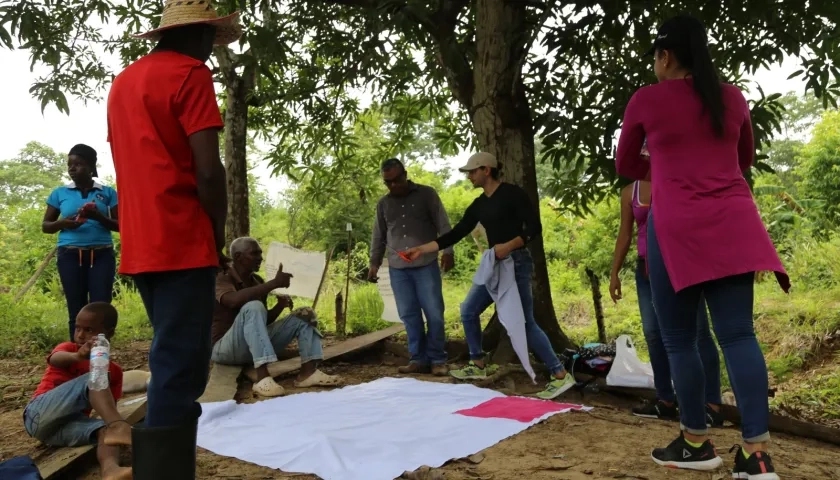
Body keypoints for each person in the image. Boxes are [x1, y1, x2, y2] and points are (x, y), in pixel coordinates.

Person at [616, 15, 789, 478]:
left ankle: (695, 442)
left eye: (655, 57)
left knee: (679, 339)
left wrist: (666, 163)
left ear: (665, 56)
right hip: (735, 222)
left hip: (676, 226)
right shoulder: (731, 96)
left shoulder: (647, 100)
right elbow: (744, 157)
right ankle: (756, 454)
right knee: (738, 335)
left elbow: (626, 163)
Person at [106, 1, 240, 475]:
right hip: (182, 239)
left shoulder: (123, 82)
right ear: (199, 35)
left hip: (142, 245)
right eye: (211, 39)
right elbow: (208, 168)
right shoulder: (190, 74)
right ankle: (162, 472)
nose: (210, 50)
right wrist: (217, 234)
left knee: (170, 357)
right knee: (181, 368)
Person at [406, 152, 576, 400]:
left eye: (472, 172)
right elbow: (456, 233)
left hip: (516, 263)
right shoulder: (479, 205)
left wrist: (510, 245)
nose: (469, 177)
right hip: (494, 265)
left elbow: (534, 227)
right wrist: (422, 248)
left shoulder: (512, 194)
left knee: (525, 322)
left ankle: (559, 374)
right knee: (468, 310)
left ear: (486, 170)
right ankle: (477, 364)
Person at [608, 176, 723, 426]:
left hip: (682, 267)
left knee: (699, 332)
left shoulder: (684, 181)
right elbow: (625, 233)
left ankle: (712, 404)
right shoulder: (631, 192)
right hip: (647, 272)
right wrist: (614, 273)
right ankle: (665, 400)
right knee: (653, 333)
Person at [212, 237, 343, 396]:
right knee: (253, 306)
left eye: (260, 253)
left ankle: (308, 373)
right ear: (238, 257)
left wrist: (279, 306)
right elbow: (232, 301)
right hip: (225, 350)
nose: (260, 258)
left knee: (305, 314)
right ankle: (262, 378)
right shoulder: (222, 277)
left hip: (251, 348)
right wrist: (273, 284)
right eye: (254, 254)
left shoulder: (257, 281)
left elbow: (261, 322)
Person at [23, 302, 131, 480]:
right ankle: (118, 426)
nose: (80, 335)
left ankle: (110, 469)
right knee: (95, 377)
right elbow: (56, 359)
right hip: (37, 414)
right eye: (77, 328)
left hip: (57, 431)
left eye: (89, 330)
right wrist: (78, 356)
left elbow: (109, 406)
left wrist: (108, 423)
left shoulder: (115, 372)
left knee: (107, 431)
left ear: (109, 333)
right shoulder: (68, 349)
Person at [368, 158, 455, 376]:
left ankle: (437, 359)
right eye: (388, 182)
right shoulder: (383, 204)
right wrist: (374, 263)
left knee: (434, 312)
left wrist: (448, 251)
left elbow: (443, 224)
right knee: (409, 314)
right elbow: (378, 235)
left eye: (397, 180)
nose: (393, 186)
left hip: (426, 264)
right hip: (398, 268)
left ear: (405, 175)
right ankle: (417, 359)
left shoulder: (427, 194)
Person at [42, 144, 118, 341]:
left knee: (101, 308)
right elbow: (46, 226)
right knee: (76, 308)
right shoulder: (60, 193)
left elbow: (120, 225)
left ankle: (100, 356)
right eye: (70, 165)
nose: (72, 168)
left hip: (101, 254)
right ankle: (77, 358)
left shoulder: (107, 192)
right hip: (69, 255)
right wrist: (63, 223)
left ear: (92, 166)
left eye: (79, 164)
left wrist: (98, 216)